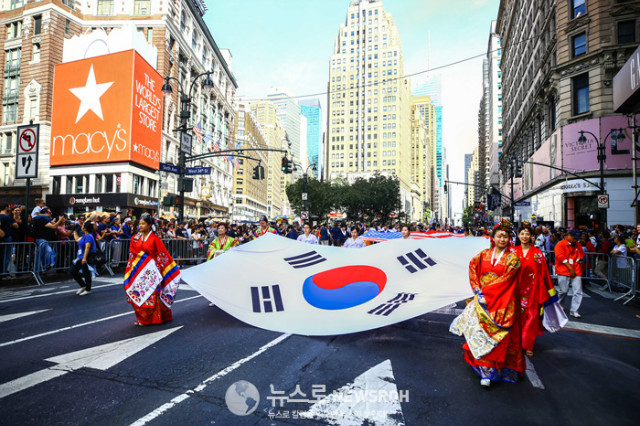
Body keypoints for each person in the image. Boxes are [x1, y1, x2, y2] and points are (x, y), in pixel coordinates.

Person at [449, 220, 524, 387]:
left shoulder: (513, 259)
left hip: (503, 302)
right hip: (483, 301)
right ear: (493, 238)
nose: (502, 239)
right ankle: (485, 372)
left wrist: (486, 292)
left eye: (505, 237)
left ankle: (495, 370)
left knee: (498, 338)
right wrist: (477, 289)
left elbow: (507, 280)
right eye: (499, 236)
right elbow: (473, 269)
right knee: (479, 333)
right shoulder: (482, 255)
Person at [124, 214, 181, 326]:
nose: (140, 226)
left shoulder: (155, 239)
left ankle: (153, 319)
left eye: (143, 224)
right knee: (139, 293)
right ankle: (141, 318)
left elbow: (162, 254)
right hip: (138, 270)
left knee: (151, 295)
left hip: (151, 272)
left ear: (149, 225)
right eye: (139, 224)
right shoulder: (135, 237)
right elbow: (132, 253)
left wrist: (159, 268)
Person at [514, 223, 557, 357]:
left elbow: (544, 273)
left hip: (533, 291)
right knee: (515, 318)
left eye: (528, 234)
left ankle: (528, 345)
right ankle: (515, 343)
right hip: (515, 291)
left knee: (532, 318)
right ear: (518, 235)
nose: (525, 236)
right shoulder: (512, 251)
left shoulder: (538, 253)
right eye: (522, 234)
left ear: (532, 236)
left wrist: (549, 290)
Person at [554, 229, 585, 318]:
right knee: (563, 290)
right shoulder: (560, 244)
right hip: (563, 270)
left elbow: (581, 254)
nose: (576, 240)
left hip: (576, 269)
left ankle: (574, 310)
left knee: (578, 291)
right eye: (575, 238)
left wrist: (581, 260)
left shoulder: (578, 244)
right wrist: (570, 268)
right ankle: (559, 305)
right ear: (569, 235)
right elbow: (560, 257)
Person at [70, 221, 97, 296]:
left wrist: (84, 258)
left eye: (82, 226)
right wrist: (74, 231)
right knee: (73, 271)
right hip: (80, 257)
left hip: (86, 256)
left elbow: (87, 247)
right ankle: (83, 285)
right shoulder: (85, 235)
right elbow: (77, 239)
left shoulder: (89, 236)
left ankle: (88, 289)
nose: (81, 227)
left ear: (85, 228)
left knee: (86, 273)